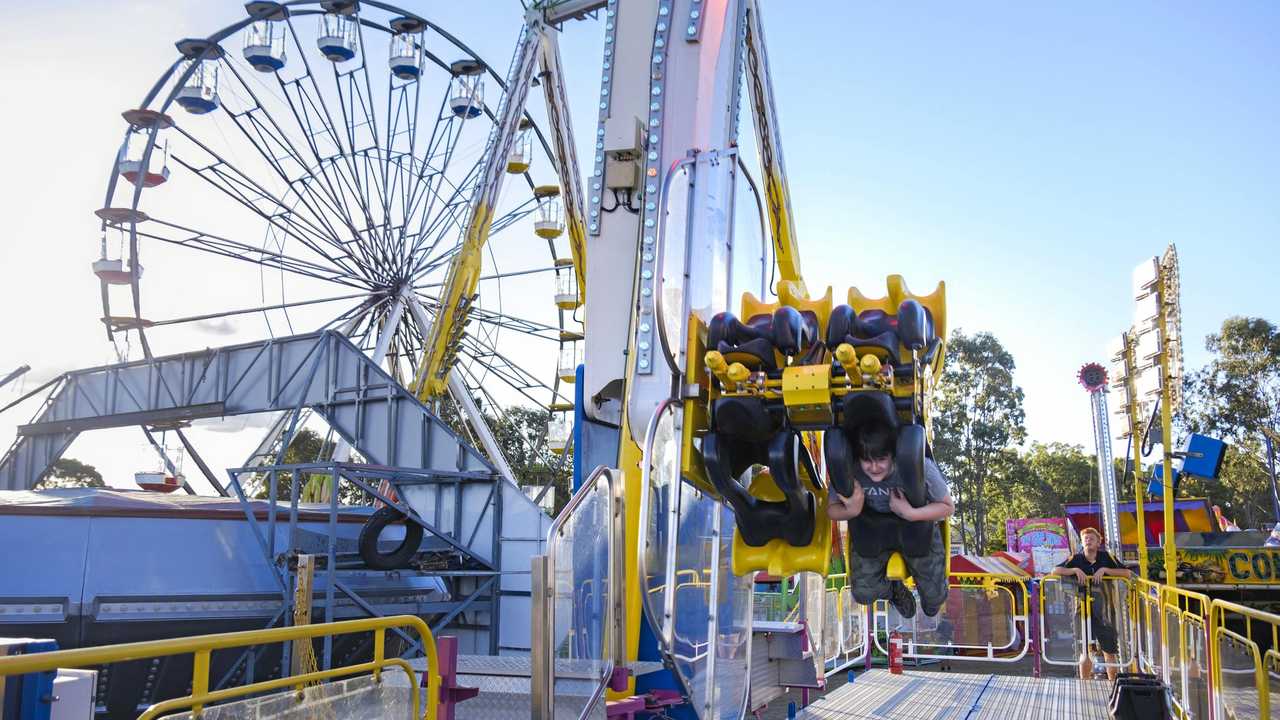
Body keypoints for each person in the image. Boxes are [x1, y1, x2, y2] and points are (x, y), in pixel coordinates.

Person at [826, 424, 955, 623]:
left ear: (893, 455)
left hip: (914, 527)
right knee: (863, 595)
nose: (874, 468)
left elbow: (948, 507)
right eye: (867, 461)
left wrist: (910, 513)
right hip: (873, 531)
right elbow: (831, 509)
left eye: (881, 460)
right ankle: (893, 590)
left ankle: (930, 597)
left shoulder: (921, 466)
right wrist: (852, 509)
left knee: (935, 599)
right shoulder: (850, 470)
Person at [1050, 527, 1132, 681]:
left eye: (1091, 538)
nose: (1088, 541)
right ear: (1082, 542)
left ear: (1098, 542)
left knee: (1110, 649)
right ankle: (1085, 684)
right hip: (1083, 609)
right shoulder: (1076, 558)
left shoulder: (1107, 557)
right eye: (1085, 539)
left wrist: (1105, 570)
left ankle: (1112, 683)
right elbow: (1055, 571)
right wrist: (1074, 570)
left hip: (1106, 610)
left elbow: (1127, 573)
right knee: (1085, 649)